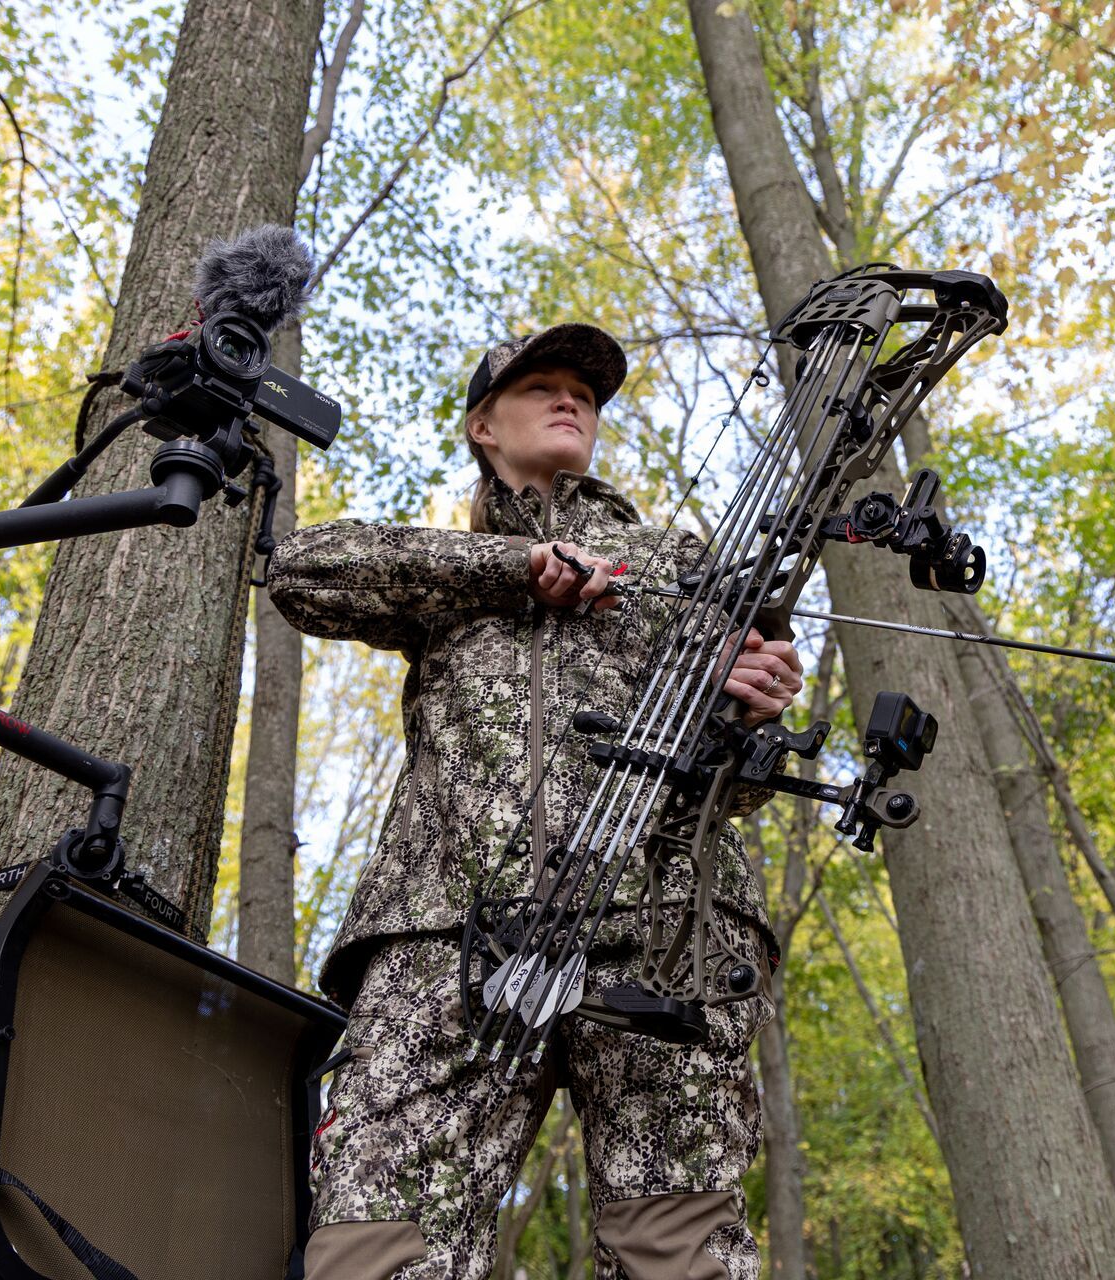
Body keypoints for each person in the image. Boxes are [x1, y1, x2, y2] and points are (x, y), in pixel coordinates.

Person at [267, 323, 803, 1279]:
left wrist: (750, 715)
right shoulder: (440, 569)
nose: (572, 403)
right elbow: (305, 572)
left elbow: (738, 788)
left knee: (676, 1255)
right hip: (447, 937)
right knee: (372, 1249)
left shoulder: (677, 565)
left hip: (665, 936)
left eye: (587, 397)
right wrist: (517, 571)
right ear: (483, 426)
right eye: (543, 386)